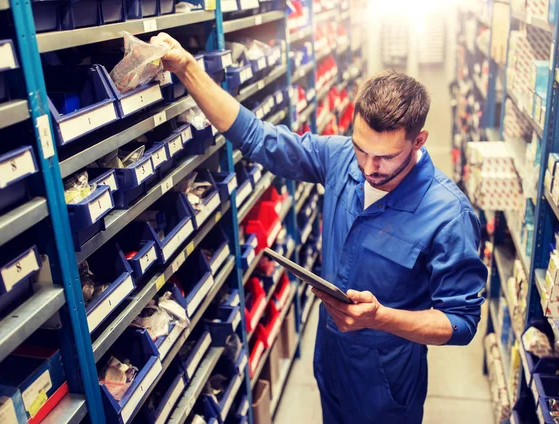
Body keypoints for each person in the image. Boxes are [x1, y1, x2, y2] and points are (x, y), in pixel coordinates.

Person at [151, 32, 487, 424]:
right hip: (330, 359)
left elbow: (462, 322)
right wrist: (188, 68)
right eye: (361, 149)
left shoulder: (449, 214)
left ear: (419, 142)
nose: (367, 168)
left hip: (386, 385)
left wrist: (381, 318)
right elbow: (257, 137)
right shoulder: (341, 157)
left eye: (385, 157)